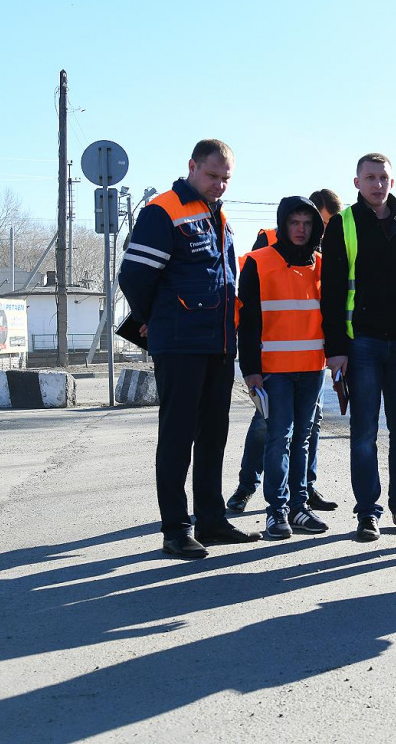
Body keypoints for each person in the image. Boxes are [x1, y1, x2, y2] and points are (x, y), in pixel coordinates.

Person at [119, 139, 261, 559]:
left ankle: (212, 521)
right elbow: (134, 276)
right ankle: (176, 529)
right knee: (178, 437)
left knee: (214, 436)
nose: (218, 185)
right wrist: (157, 319)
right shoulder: (163, 211)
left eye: (225, 179)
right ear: (192, 167)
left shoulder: (219, 218)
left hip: (217, 346)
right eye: (212, 175)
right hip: (179, 345)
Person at [321, 153, 396, 542]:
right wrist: (335, 347)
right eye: (370, 177)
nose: (377, 184)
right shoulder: (342, 224)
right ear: (357, 183)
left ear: (392, 181)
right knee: (364, 431)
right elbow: (332, 290)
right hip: (362, 344)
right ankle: (367, 512)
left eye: (383, 177)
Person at [226, 188, 343, 514]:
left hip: (310, 362)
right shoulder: (266, 246)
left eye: (321, 226)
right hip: (273, 363)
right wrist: (252, 367)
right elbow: (251, 311)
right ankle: (248, 485)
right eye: (310, 222)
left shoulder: (321, 258)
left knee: (310, 426)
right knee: (269, 427)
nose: (311, 231)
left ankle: (304, 490)